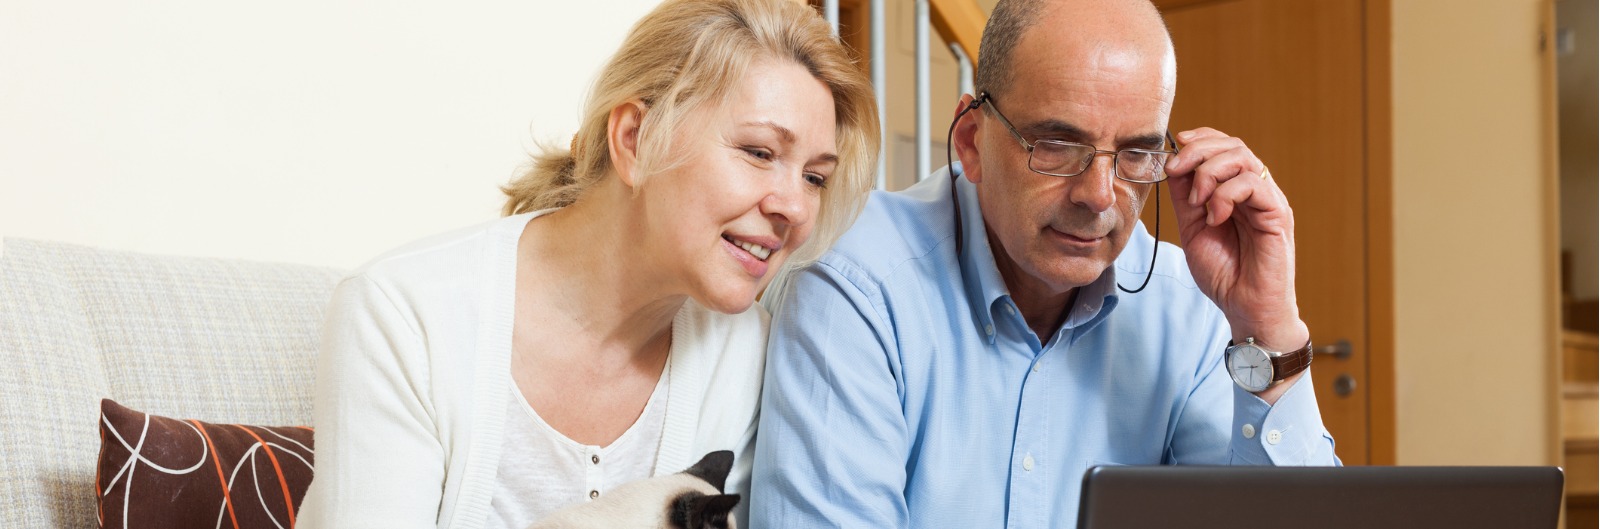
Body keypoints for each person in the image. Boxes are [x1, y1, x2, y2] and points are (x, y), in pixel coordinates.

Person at [749, 0, 1338, 527]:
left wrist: (1270, 328)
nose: (1101, 195)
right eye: (1056, 146)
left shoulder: (1189, 303)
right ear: (972, 142)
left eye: (1136, 154)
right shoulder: (856, 285)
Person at [295, 0, 878, 527]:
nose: (795, 207)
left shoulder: (750, 352)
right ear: (634, 137)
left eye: (815, 178)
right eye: (759, 152)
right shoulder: (401, 316)